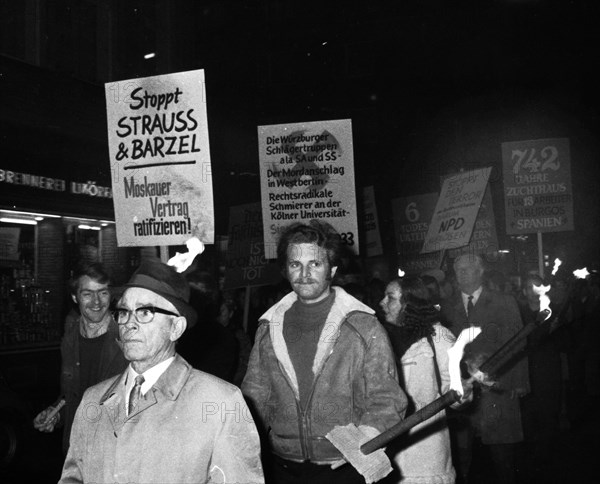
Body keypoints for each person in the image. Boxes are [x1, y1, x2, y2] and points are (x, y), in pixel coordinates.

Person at [59, 257, 264, 484]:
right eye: (124, 312)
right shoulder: (93, 399)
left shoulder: (221, 403)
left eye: (145, 312)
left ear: (176, 328)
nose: (129, 323)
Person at [242, 220, 407, 484]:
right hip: (282, 467)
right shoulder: (268, 327)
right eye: (296, 264)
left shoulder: (363, 326)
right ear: (285, 269)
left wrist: (363, 441)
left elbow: (387, 398)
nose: (304, 273)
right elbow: (254, 396)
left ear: (332, 268)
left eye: (315, 264)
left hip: (344, 466)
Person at [441, 254, 529, 484]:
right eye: (458, 269)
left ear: (481, 271)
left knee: (502, 456)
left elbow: (518, 344)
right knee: (462, 455)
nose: (462, 273)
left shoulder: (503, 302)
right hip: (461, 392)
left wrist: (519, 382)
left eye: (467, 269)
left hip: (496, 388)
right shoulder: (446, 308)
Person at [33, 262, 128, 455]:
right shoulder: (69, 338)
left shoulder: (127, 336)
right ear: (75, 297)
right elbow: (71, 394)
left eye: (103, 293)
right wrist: (56, 414)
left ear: (111, 296)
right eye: (87, 294)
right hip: (76, 450)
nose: (96, 302)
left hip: (115, 451)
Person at [379, 276, 457, 484]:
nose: (382, 303)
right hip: (390, 443)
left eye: (390, 297)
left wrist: (462, 390)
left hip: (425, 446)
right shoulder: (381, 336)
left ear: (409, 303)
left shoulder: (437, 337)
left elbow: (455, 391)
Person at [517, 274, 562, 481]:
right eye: (528, 287)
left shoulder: (552, 311)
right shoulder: (518, 312)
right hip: (525, 372)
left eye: (536, 287)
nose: (532, 291)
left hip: (547, 373)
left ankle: (545, 463)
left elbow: (560, 342)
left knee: (547, 418)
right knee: (526, 420)